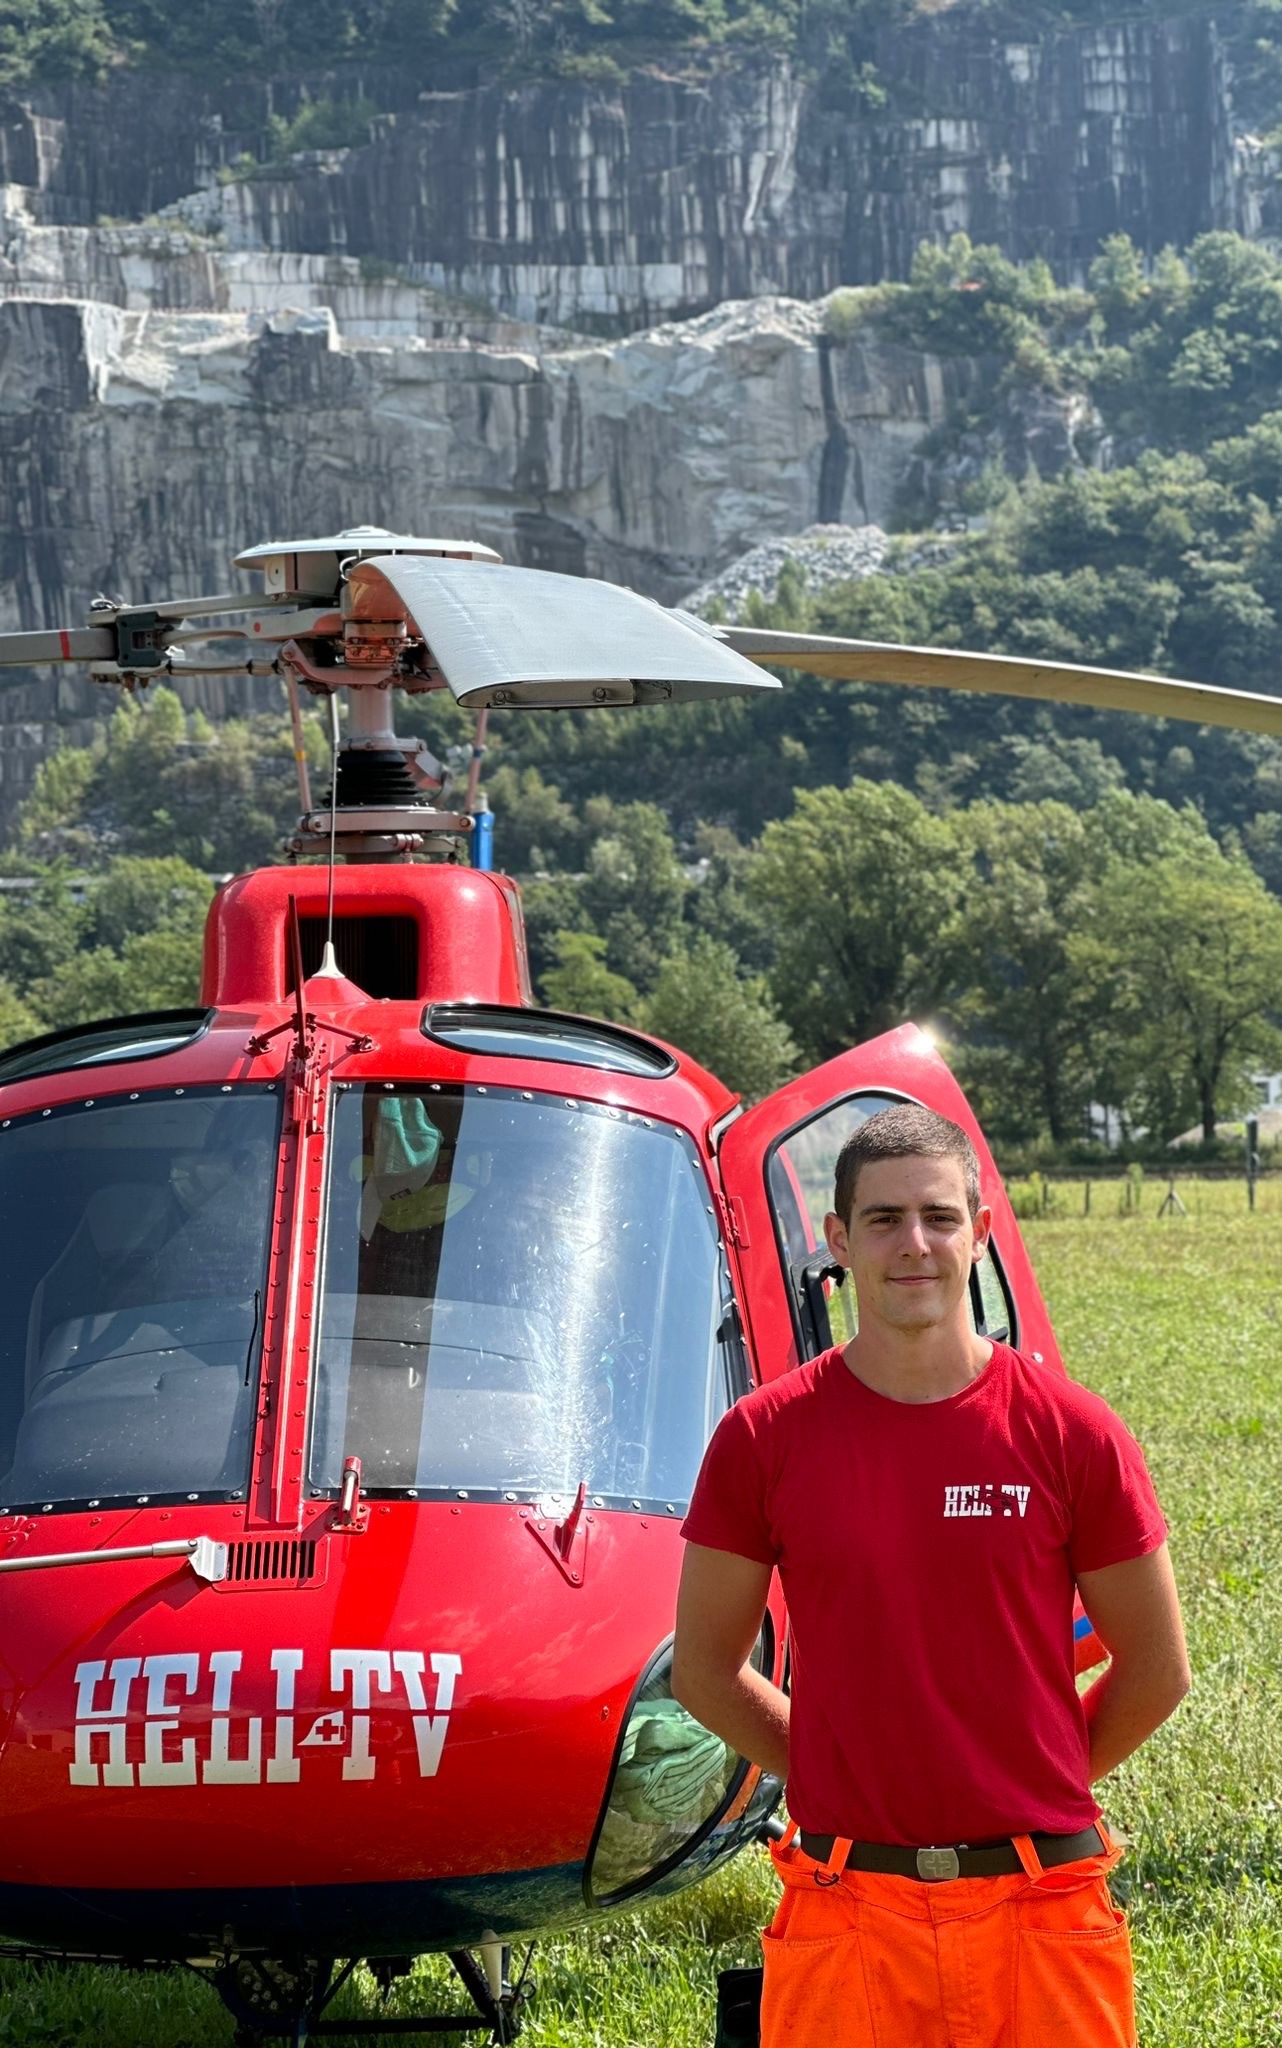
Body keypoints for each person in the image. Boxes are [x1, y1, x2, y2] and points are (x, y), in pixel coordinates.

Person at [673, 1103, 1189, 2048]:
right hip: (847, 1909)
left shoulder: (1074, 1432)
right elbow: (704, 1671)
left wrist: (1026, 1778)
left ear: (979, 1232)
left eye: (940, 1217)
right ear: (837, 1239)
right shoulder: (762, 1438)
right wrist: (832, 1767)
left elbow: (1157, 1670)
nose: (914, 1243)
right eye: (884, 1219)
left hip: (1042, 1904)